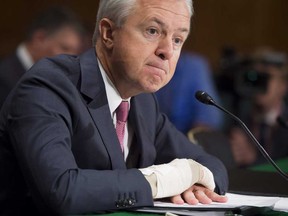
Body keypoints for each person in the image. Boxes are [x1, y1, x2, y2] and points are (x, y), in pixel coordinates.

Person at [0, 0, 228, 215]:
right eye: (152, 31)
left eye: (178, 39)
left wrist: (195, 178)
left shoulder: (143, 102)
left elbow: (211, 165)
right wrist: (162, 181)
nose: (167, 51)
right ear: (108, 33)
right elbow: (61, 190)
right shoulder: (48, 87)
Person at [0, 6, 86, 107]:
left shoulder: (61, 82)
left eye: (76, 52)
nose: (72, 58)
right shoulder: (3, 78)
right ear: (39, 39)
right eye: (65, 48)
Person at [228, 49, 288, 167]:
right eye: (255, 77)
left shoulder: (285, 125)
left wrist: (253, 159)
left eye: (266, 77)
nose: (259, 83)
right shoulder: (236, 119)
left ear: (283, 86)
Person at [156, 51, 223, 134]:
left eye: (177, 40)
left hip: (181, 140)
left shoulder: (193, 66)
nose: (167, 48)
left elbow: (208, 121)